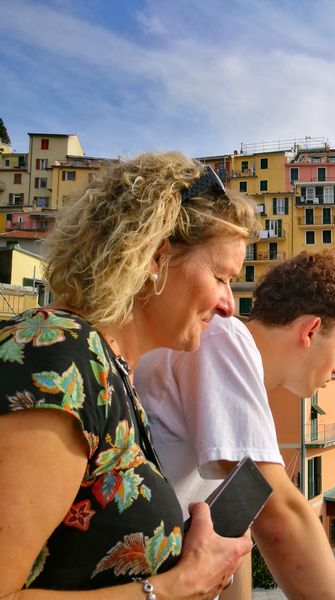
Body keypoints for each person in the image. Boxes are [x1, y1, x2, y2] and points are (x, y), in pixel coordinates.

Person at [0, 152, 258, 597]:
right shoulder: (55, 356)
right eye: (220, 276)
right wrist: (180, 585)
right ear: (157, 257)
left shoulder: (106, 369)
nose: (228, 305)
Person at [134, 250, 335, 599]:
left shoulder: (235, 363)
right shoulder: (222, 337)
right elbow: (280, 517)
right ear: (311, 330)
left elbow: (235, 527)